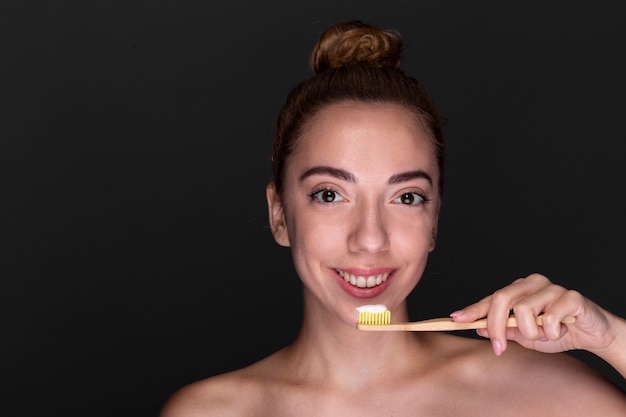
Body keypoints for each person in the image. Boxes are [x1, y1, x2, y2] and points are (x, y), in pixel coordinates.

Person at [159, 20, 626, 416]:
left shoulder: (535, 390)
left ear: (434, 221)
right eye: (329, 193)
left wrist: (610, 336)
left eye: (406, 198)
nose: (370, 239)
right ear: (279, 216)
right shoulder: (211, 411)